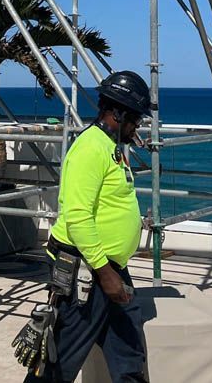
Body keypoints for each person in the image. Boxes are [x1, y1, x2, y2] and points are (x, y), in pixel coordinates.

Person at [23, 70, 152, 382]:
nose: (137, 126)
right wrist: (105, 274)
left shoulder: (110, 147)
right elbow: (78, 216)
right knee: (60, 359)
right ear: (117, 113)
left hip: (110, 267)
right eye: (135, 119)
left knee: (128, 351)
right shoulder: (90, 148)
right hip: (88, 271)